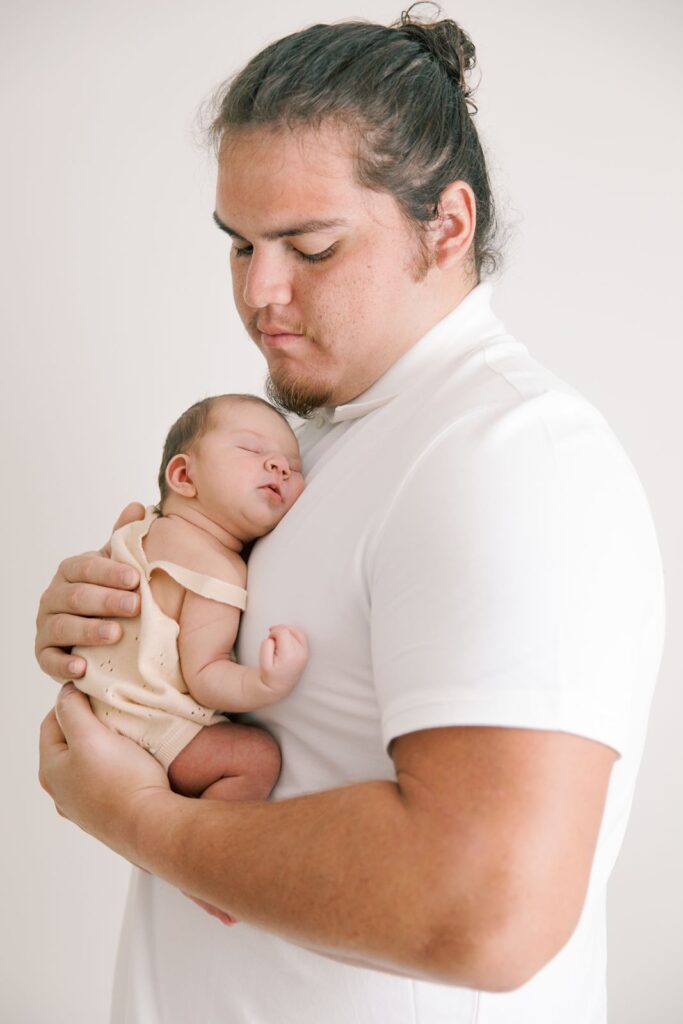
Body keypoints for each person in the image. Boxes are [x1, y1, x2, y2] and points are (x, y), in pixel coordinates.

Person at [36, 8, 665, 1023]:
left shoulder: (510, 458)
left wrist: (134, 814)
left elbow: (487, 911)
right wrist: (118, 638)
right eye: (238, 246)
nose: (259, 293)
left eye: (309, 247)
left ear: (445, 225)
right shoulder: (310, 445)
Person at [69, 393, 307, 803]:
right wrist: (264, 684)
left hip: (90, 706)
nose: (279, 466)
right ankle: (213, 849)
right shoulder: (218, 569)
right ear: (183, 476)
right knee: (256, 758)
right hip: (147, 726)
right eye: (252, 449)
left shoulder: (140, 525)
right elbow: (206, 676)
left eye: (294, 467)